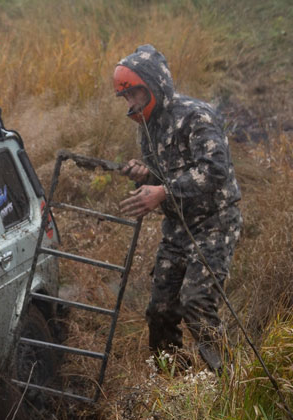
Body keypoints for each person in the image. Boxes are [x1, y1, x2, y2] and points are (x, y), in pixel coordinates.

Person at [114, 44, 242, 372]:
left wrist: (163, 192)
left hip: (214, 223)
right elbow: (164, 177)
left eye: (133, 95)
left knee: (197, 305)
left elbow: (214, 170)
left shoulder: (196, 115)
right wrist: (146, 176)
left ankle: (234, 385)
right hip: (177, 229)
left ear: (153, 85)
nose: (129, 104)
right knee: (160, 311)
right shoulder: (148, 128)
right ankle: (176, 388)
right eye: (125, 98)